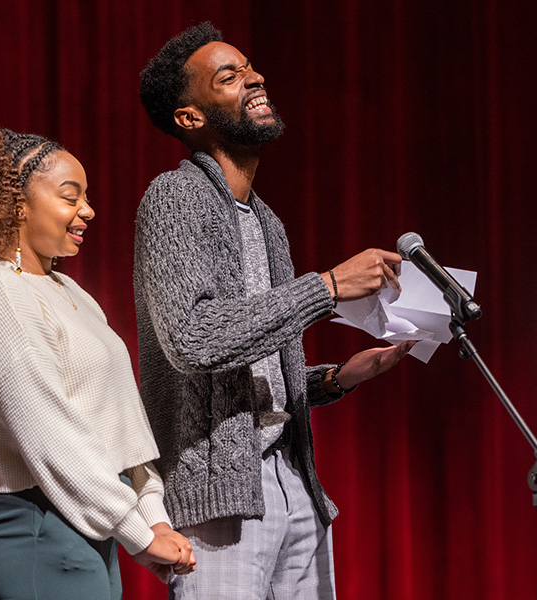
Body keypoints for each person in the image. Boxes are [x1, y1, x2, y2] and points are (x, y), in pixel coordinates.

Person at [135, 23, 415, 599]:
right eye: (229, 76)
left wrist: (335, 378)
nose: (255, 78)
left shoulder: (267, 222)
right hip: (220, 495)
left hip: (294, 482)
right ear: (190, 117)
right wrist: (329, 286)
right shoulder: (173, 198)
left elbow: (249, 378)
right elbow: (193, 339)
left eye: (251, 68)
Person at [0, 127, 196, 600]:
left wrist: (151, 516)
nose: (88, 210)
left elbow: (122, 426)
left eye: (87, 197)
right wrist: (137, 530)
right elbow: (52, 433)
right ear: (18, 205)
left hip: (90, 526)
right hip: (39, 527)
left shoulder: (73, 294)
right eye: (70, 196)